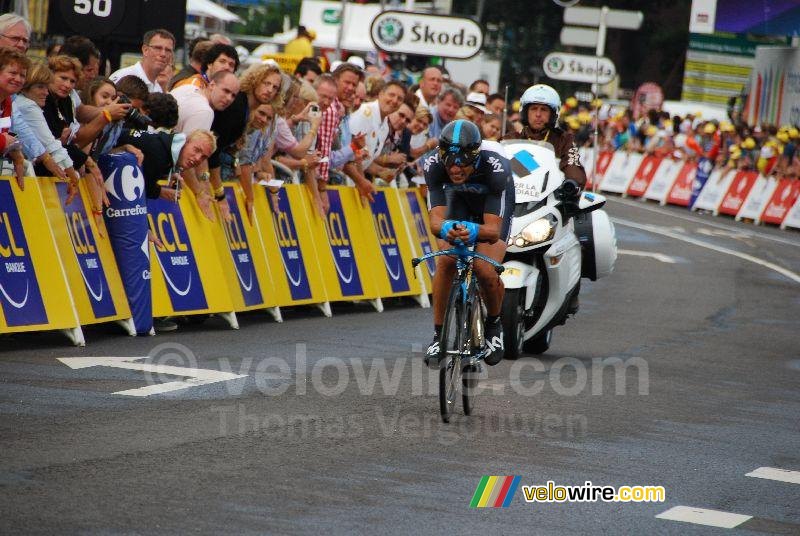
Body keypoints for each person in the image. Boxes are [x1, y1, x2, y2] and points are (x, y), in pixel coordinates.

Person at [423, 119, 514, 368]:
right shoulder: (432, 165)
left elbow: (493, 231)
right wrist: (448, 230)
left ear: (475, 157)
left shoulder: (496, 167)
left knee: (485, 269)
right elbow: (435, 222)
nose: (455, 169)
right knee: (446, 261)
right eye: (450, 162)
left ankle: (494, 325)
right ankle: (438, 336)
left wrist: (471, 230)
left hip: (491, 205)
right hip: (458, 200)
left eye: (462, 163)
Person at [504, 83, 586, 314]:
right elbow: (495, 167)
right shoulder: (508, 139)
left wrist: (572, 182)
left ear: (553, 114)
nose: (538, 115)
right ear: (525, 112)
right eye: (533, 109)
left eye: (544, 110)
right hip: (514, 205)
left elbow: (573, 165)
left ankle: (571, 294)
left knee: (577, 237)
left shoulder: (563, 140)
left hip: (548, 204)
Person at [110, 29, 175, 93]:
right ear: (145, 50)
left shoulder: (157, 89)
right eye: (157, 48)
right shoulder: (123, 76)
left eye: (168, 50)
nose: (163, 54)